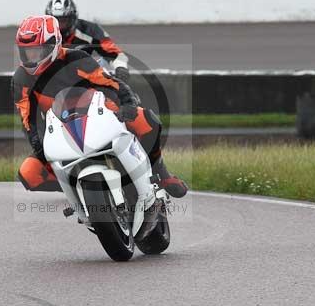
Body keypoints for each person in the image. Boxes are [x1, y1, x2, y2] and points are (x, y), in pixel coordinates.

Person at [12, 14, 187, 198]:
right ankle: (76, 189)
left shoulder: (76, 59)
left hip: (99, 114)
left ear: (53, 44)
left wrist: (128, 103)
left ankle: (162, 174)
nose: (31, 57)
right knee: (28, 174)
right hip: (61, 129)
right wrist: (39, 145)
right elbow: (27, 119)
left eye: (37, 50)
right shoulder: (21, 79)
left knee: (147, 120)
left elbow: (111, 83)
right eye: (26, 51)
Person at [44, 0, 131, 82]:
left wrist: (121, 67)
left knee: (110, 74)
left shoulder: (90, 30)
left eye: (63, 21)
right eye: (56, 20)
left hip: (86, 78)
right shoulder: (41, 34)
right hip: (52, 79)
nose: (59, 26)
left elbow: (115, 53)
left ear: (73, 19)